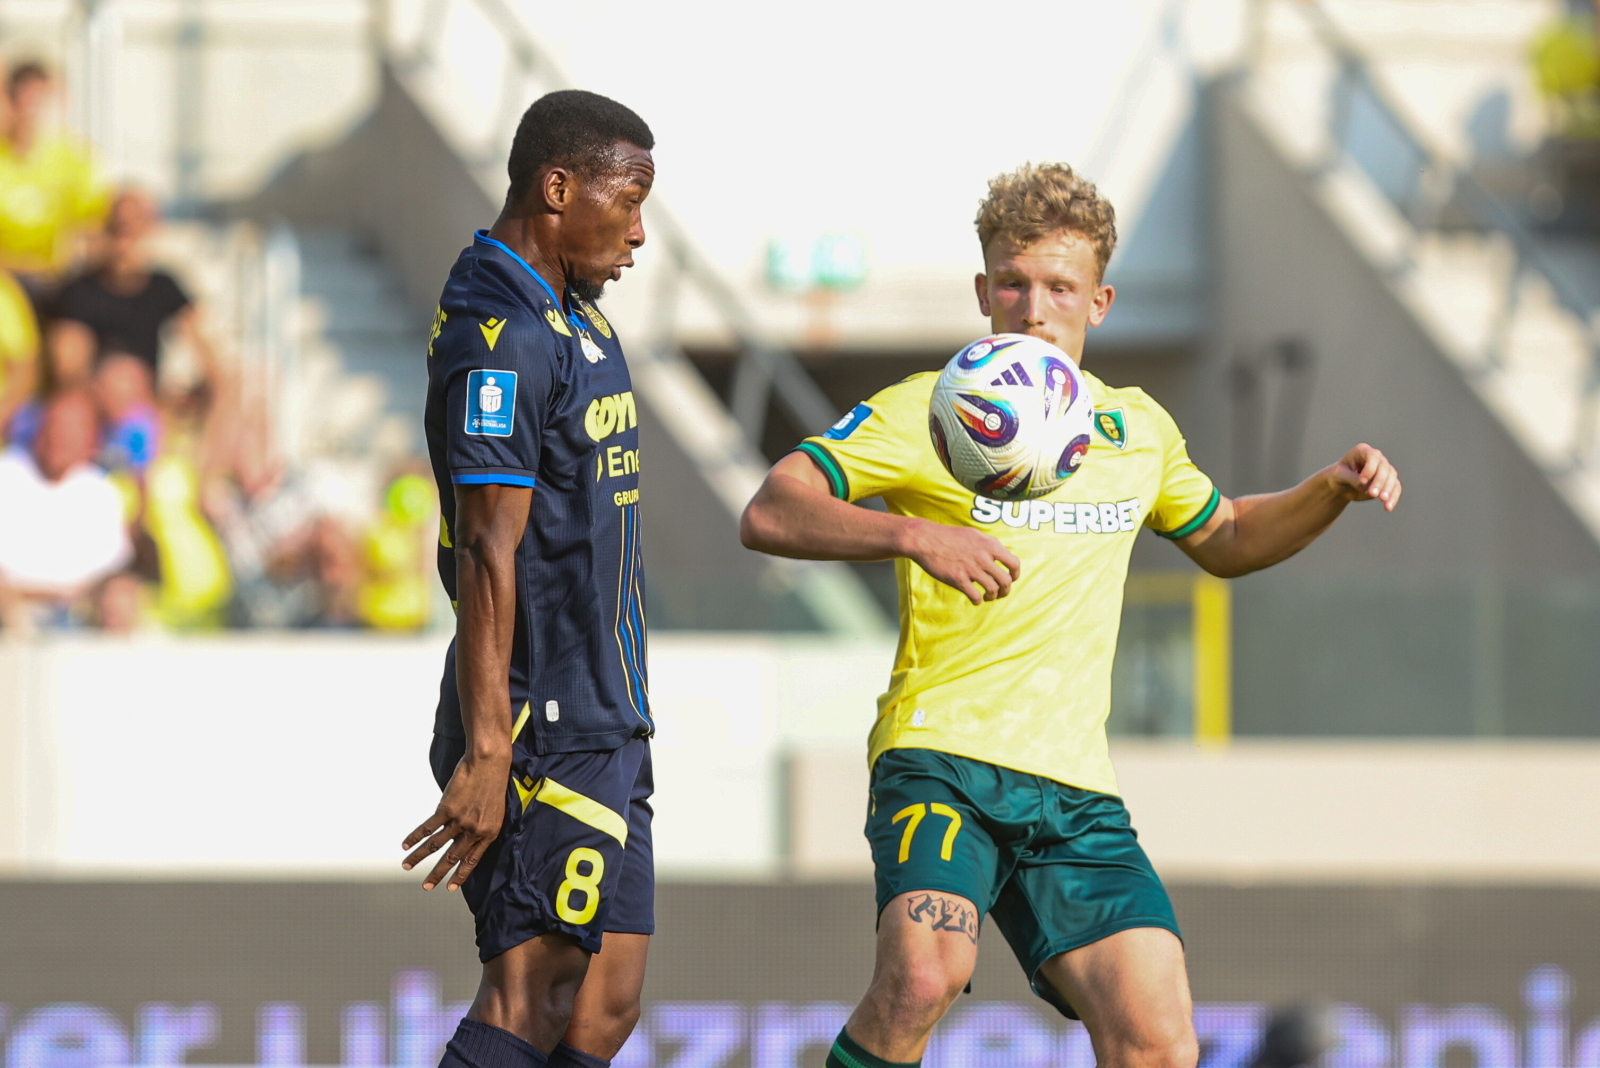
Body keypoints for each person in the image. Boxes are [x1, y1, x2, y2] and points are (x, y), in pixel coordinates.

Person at [739, 162, 1403, 1068]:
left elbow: (1229, 536)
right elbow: (773, 507)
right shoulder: (930, 412)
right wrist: (916, 538)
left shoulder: (1137, 431)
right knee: (923, 980)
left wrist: (1327, 490)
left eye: (1059, 286)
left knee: (1159, 1038)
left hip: (1074, 791)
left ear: (1100, 301)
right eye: (1012, 282)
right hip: (942, 758)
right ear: (983, 290)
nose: (1033, 305)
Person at [401, 90, 657, 1068]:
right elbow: (485, 548)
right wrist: (491, 748)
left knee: (603, 1009)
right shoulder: (496, 336)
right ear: (556, 187)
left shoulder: (575, 318)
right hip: (537, 719)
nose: (636, 234)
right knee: (535, 987)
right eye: (625, 200)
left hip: (609, 714)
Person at [52, 189, 213, 390]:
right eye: (119, 228)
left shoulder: (163, 286)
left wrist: (207, 393)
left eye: (135, 228)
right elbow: (69, 372)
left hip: (142, 403)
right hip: (97, 401)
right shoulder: (78, 292)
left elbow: (209, 352)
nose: (126, 241)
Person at [0, 388, 130, 630]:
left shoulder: (102, 492)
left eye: (73, 428)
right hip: (13, 611)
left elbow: (110, 571)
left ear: (91, 440)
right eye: (55, 424)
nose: (61, 436)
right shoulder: (7, 475)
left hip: (80, 613)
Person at [0, 61, 110, 303]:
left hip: (59, 279)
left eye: (38, 102)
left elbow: (94, 229)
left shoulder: (77, 158)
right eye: (23, 101)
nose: (30, 112)